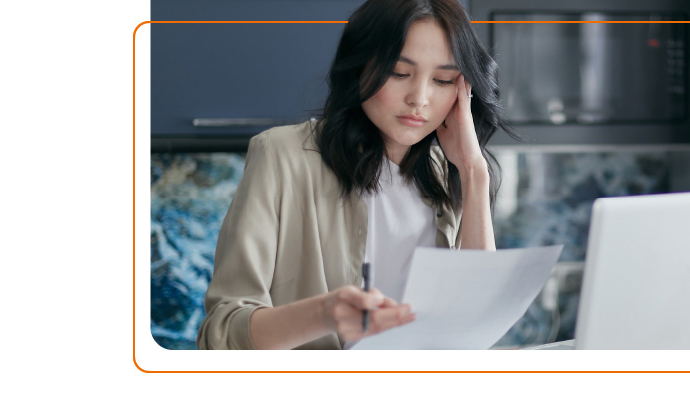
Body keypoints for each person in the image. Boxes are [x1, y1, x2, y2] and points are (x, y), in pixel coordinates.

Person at [197, 0, 517, 350]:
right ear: (360, 66)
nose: (419, 98)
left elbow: (476, 322)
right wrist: (325, 313)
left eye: (442, 80)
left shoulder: (448, 175)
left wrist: (474, 172)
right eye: (399, 73)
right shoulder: (282, 156)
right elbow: (222, 335)